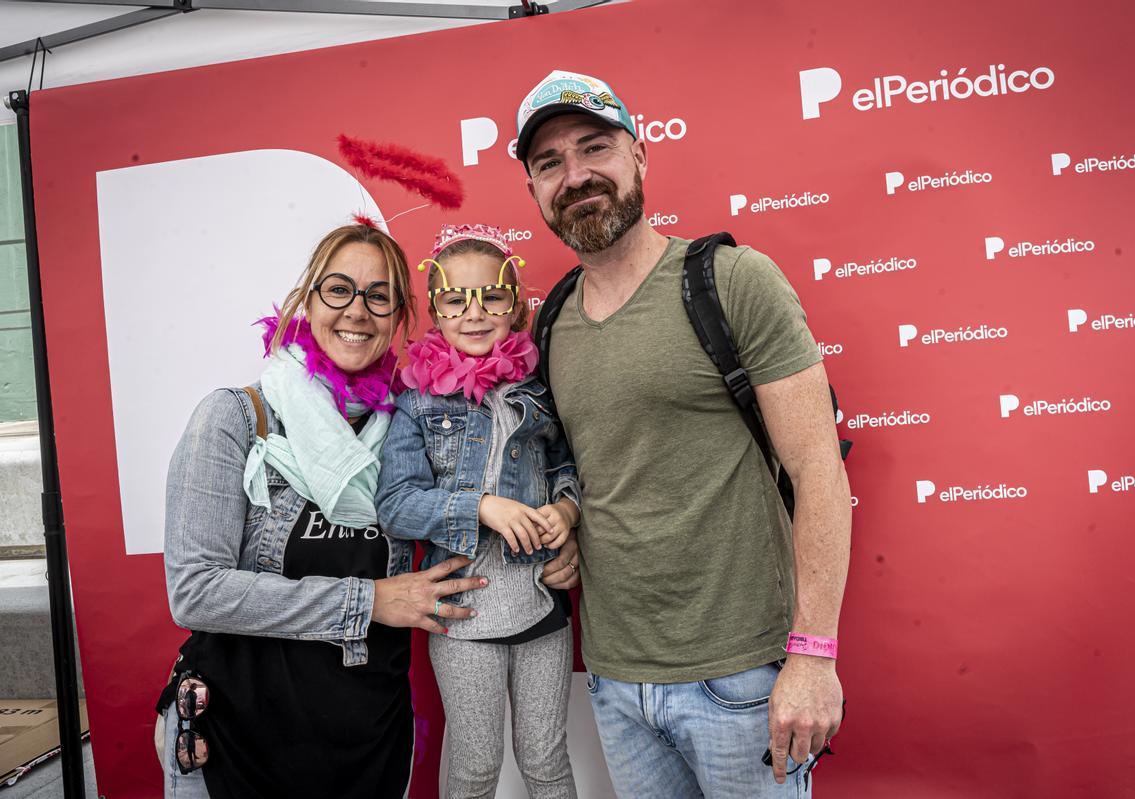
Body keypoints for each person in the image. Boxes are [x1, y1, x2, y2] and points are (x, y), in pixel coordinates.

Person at [513, 70, 852, 797]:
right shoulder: (553, 322)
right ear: (535, 193)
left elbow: (820, 468)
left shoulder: (731, 280)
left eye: (595, 147)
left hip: (744, 676)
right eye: (550, 163)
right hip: (615, 676)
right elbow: (595, 468)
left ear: (640, 157)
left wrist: (814, 655)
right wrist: (568, 522)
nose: (576, 175)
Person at [156, 222, 580, 798]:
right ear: (308, 301)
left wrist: (565, 525)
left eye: (378, 295)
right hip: (245, 735)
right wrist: (371, 600)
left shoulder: (398, 423)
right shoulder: (236, 417)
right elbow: (196, 592)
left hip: (370, 740)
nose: (358, 310)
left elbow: (537, 472)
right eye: (339, 290)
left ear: (398, 318)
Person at [376, 223, 581, 799]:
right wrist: (481, 506)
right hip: (463, 616)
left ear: (514, 307)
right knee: (475, 764)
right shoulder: (416, 400)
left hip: (541, 603)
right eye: (455, 299)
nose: (474, 312)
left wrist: (567, 515)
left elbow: (571, 470)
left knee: (545, 758)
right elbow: (395, 504)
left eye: (491, 296)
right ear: (435, 311)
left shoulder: (538, 390)